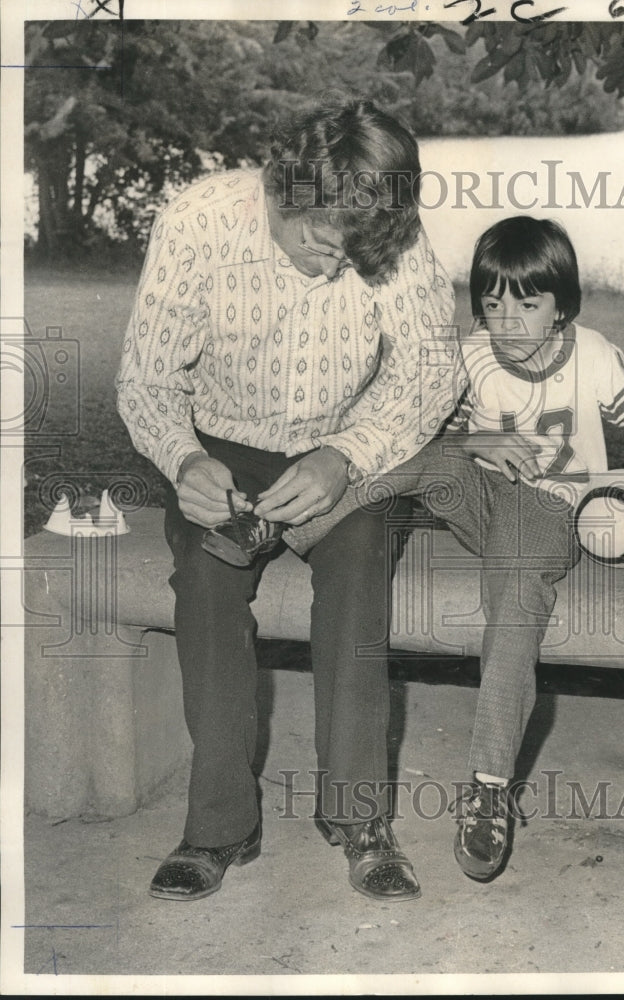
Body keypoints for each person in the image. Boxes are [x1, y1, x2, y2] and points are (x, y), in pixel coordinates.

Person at [115, 98, 459, 903]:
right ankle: (220, 827)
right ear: (279, 190)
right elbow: (148, 378)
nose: (337, 267)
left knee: (360, 569)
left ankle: (359, 818)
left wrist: (348, 455)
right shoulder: (199, 219)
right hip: (223, 441)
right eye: (318, 243)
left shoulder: (384, 228)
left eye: (353, 255)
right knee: (205, 583)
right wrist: (184, 459)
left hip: (348, 443)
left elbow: (432, 369)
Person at [443, 215, 624, 881]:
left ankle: (489, 785)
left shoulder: (594, 354)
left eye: (528, 304)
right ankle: (275, 522)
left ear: (562, 305)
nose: (509, 321)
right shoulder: (474, 354)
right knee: (394, 456)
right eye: (493, 304)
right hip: (475, 493)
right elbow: (427, 437)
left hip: (547, 503)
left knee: (516, 589)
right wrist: (473, 442)